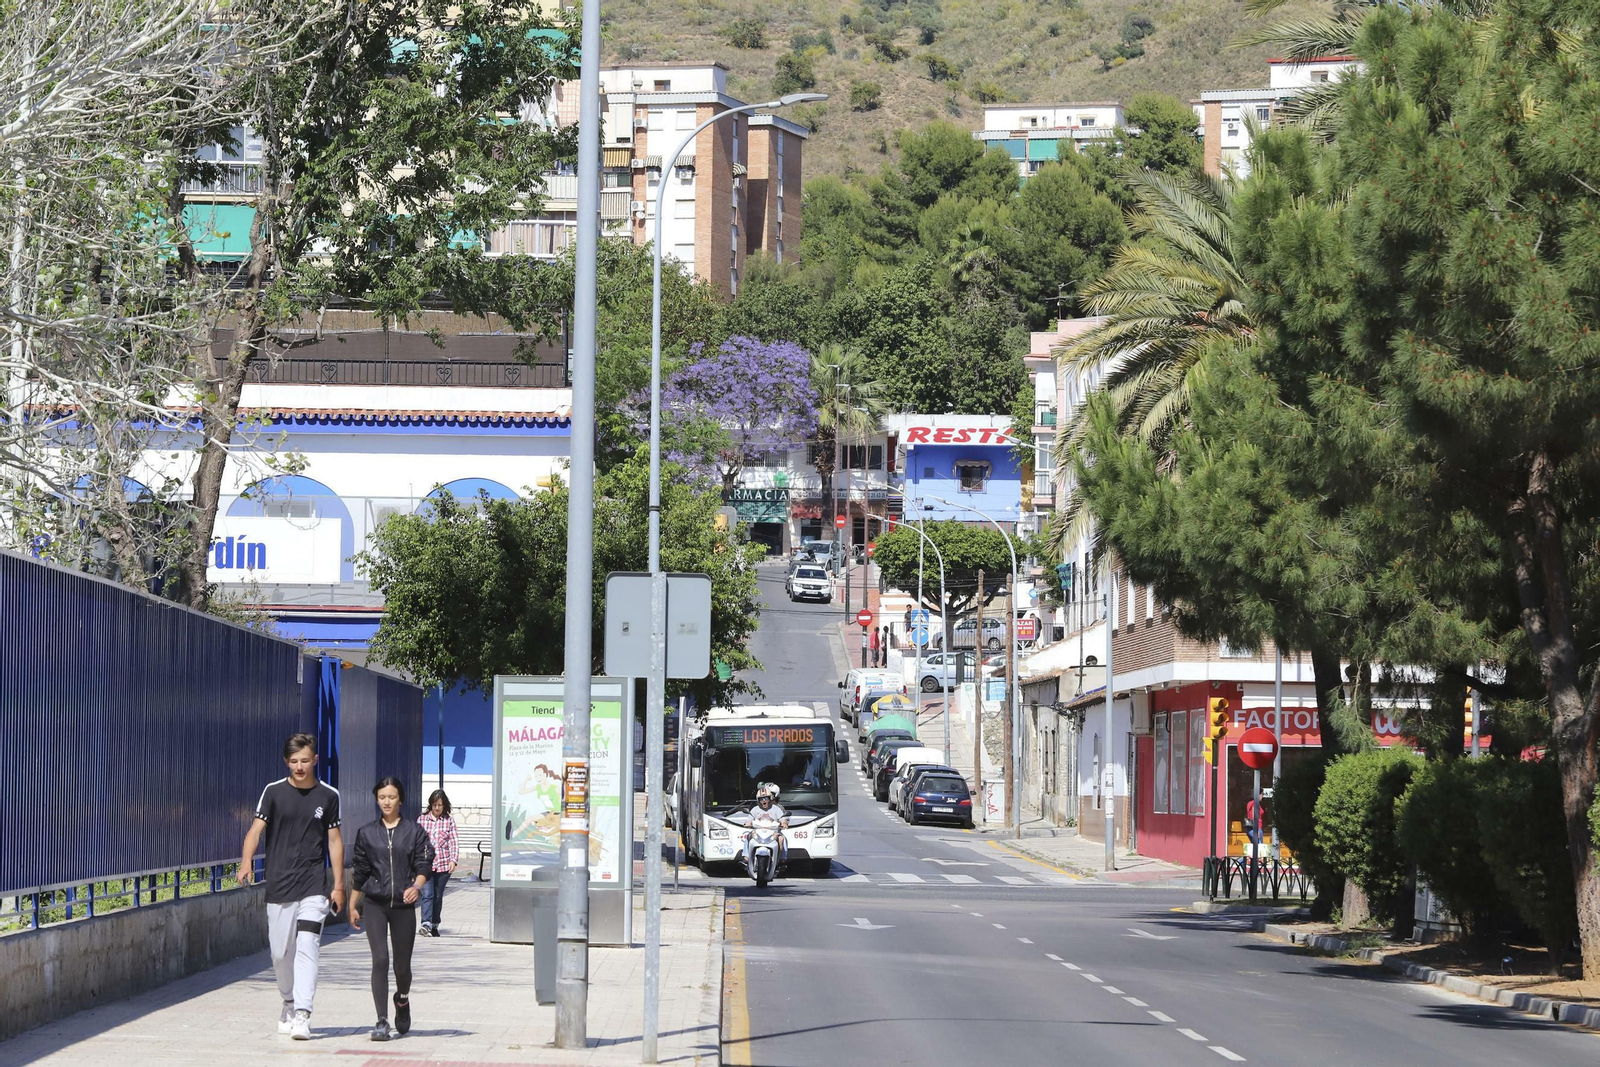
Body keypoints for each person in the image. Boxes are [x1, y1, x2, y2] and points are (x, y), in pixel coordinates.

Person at [239, 733, 344, 1041]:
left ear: (315, 760)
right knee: (280, 953)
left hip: (313, 884)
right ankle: (288, 1000)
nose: (300, 767)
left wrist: (338, 885)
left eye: (305, 761)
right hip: (280, 883)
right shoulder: (273, 792)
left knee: (308, 946)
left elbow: (334, 841)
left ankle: (303, 1013)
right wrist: (246, 862)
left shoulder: (329, 796)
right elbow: (255, 831)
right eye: (294, 761)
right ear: (287, 762)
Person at [350, 777, 431, 1042]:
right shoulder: (366, 833)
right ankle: (382, 1021)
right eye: (382, 797)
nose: (386, 802)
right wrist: (353, 903)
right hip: (375, 904)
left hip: (403, 906)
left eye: (392, 797)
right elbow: (361, 871)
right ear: (377, 799)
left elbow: (424, 863)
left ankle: (402, 999)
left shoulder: (414, 831)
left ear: (401, 800)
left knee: (401, 966)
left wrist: (416, 886)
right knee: (380, 960)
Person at [417, 789, 458, 937]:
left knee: (437, 897)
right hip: (426, 865)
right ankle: (426, 924)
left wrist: (453, 860)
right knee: (427, 894)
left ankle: (434, 924)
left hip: (443, 864)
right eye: (434, 805)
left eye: (440, 805)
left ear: (444, 805)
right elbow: (415, 841)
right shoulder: (422, 820)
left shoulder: (449, 821)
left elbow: (453, 841)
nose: (437, 808)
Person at [743, 783, 788, 871]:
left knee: (782, 839)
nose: (764, 801)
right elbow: (749, 820)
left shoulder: (776, 809)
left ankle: (780, 861)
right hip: (757, 832)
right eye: (761, 799)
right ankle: (746, 859)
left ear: (770, 799)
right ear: (758, 800)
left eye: (766, 798)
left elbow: (783, 820)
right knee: (748, 836)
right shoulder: (755, 809)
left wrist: (784, 823)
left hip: (774, 832)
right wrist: (747, 824)